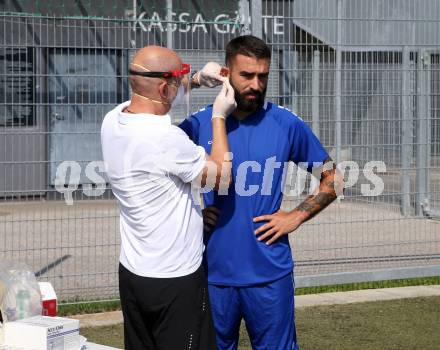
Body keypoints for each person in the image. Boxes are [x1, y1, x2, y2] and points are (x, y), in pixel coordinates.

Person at [180, 35, 344, 350]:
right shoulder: (200, 123)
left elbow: (333, 179)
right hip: (212, 274)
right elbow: (158, 165)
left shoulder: (285, 123)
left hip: (269, 274)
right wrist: (192, 216)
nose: (256, 84)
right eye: (247, 76)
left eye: (263, 76)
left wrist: (295, 217)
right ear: (226, 73)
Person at [101, 45, 236, 349]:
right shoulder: (165, 139)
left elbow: (154, 92)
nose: (180, 86)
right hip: (175, 280)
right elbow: (220, 176)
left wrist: (199, 78)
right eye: (177, 81)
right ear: (164, 87)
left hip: (134, 274)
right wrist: (219, 116)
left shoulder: (113, 119)